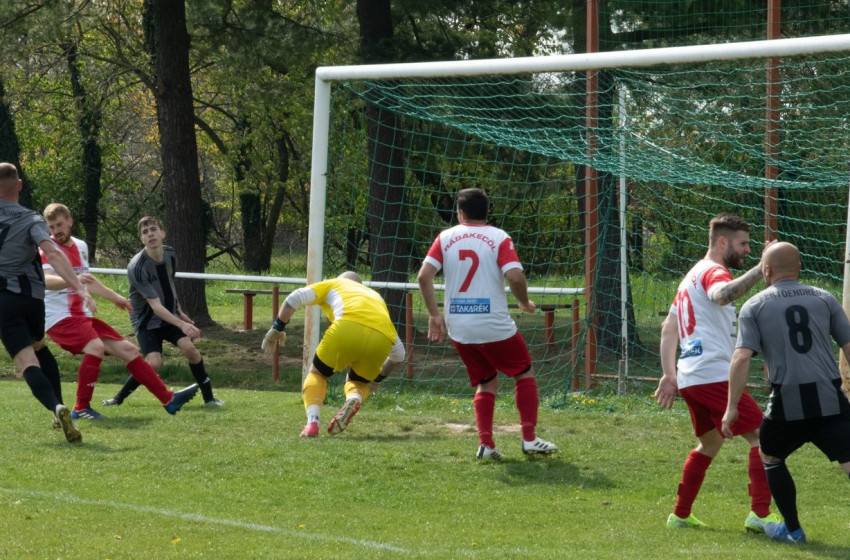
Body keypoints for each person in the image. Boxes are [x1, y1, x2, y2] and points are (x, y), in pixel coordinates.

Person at [654, 212, 778, 531]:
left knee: (709, 443)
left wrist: (670, 374)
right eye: (743, 244)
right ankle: (760, 515)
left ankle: (680, 515)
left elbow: (669, 328)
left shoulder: (691, 275)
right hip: (713, 375)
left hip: (691, 377)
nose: (748, 250)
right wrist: (761, 266)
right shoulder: (713, 272)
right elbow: (724, 295)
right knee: (763, 437)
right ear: (722, 242)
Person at [722, 242, 850, 545]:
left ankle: (794, 531)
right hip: (829, 396)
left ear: (766, 270)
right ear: (799, 267)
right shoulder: (826, 299)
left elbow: (741, 358)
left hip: (787, 400)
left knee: (771, 455)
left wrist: (731, 407)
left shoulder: (755, 305)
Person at [417, 187, 557, 460]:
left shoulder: (445, 238)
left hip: (458, 324)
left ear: (460, 212)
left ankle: (486, 444)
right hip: (492, 323)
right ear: (487, 211)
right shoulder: (498, 237)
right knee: (523, 372)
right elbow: (515, 277)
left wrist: (435, 315)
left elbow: (424, 277)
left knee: (486, 379)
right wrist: (524, 302)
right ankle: (529, 438)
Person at [40, 203, 199, 418]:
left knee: (130, 351)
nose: (56, 230)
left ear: (70, 221)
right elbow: (46, 280)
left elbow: (88, 280)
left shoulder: (81, 246)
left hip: (81, 317)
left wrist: (115, 297)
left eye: (59, 224)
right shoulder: (46, 249)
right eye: (51, 226)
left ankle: (168, 400)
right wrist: (71, 280)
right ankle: (81, 408)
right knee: (95, 347)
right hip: (58, 318)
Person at [0, 163, 97, 443]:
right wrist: (78, 286)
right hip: (33, 301)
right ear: (19, 185)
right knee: (40, 346)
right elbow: (52, 254)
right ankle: (59, 409)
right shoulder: (31, 219)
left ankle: (55, 407)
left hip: (5, 302)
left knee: (26, 361)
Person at [262, 271, 404, 437]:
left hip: (346, 327)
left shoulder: (334, 284)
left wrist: (278, 328)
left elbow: (295, 297)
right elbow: (399, 354)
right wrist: (377, 379)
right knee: (358, 383)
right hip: (381, 339)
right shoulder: (376, 297)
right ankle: (355, 399)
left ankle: (312, 422)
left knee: (317, 374)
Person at [101, 216, 223, 408]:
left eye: (153, 229)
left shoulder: (171, 254)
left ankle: (209, 399)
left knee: (191, 350)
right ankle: (117, 399)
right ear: (141, 239)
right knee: (154, 363)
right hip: (146, 321)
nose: (150, 234)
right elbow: (155, 306)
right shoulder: (137, 266)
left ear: (162, 233)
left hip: (170, 317)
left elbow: (169, 286)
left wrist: (180, 312)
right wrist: (182, 323)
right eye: (145, 232)